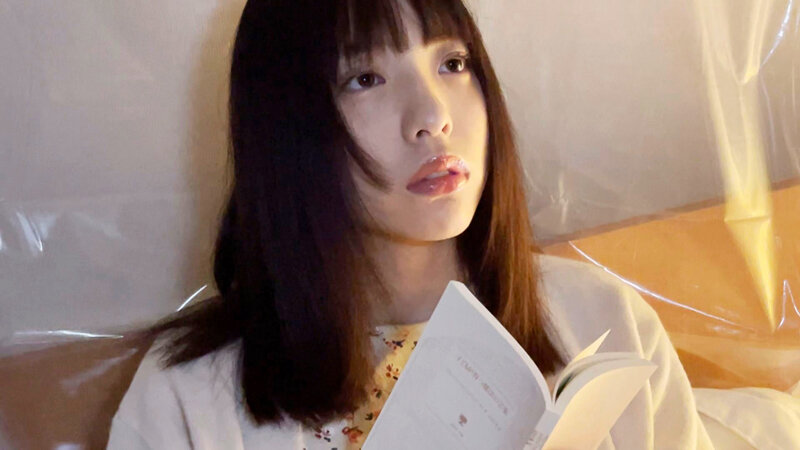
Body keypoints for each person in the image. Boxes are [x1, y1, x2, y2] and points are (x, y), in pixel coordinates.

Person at [108, 0, 713, 448]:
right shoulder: (186, 396)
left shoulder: (606, 321)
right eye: (365, 79)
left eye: (453, 63)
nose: (432, 116)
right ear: (286, 128)